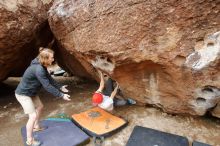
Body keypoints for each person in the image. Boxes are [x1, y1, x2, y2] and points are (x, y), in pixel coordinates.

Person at [15, 47, 71, 146]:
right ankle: (30, 140)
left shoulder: (42, 65)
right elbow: (47, 86)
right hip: (23, 94)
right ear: (45, 58)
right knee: (32, 116)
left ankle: (36, 126)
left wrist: (60, 87)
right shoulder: (38, 69)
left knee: (40, 107)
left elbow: (50, 78)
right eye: (51, 58)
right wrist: (61, 95)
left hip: (31, 92)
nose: (53, 60)